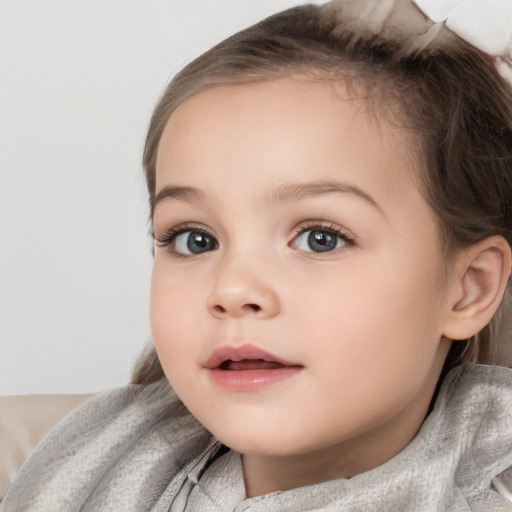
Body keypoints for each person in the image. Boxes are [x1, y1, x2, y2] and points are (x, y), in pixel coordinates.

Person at [2, 0, 512, 510]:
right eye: (193, 239)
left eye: (320, 238)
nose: (232, 289)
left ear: (471, 287)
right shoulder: (89, 463)